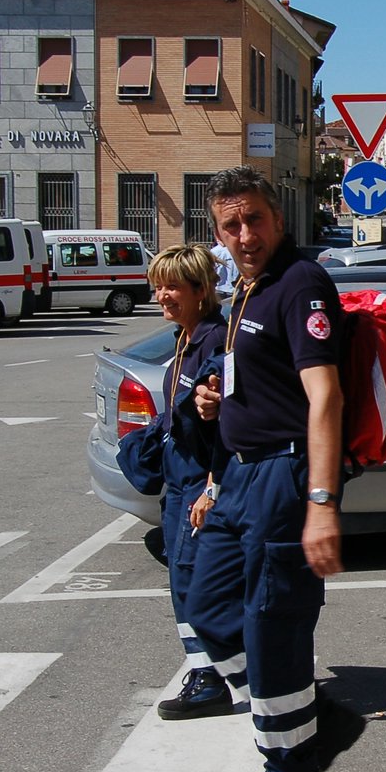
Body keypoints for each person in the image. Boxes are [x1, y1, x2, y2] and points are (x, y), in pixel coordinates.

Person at [187, 166, 364, 772]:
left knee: (273, 630)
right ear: (217, 231)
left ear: (278, 217)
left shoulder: (300, 284)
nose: (244, 235)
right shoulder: (246, 289)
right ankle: (315, 719)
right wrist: (214, 399)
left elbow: (325, 396)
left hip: (285, 481)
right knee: (208, 610)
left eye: (254, 219)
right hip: (237, 477)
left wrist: (322, 502)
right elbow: (256, 381)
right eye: (230, 225)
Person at [145, 245, 232, 720]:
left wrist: (212, 487)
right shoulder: (185, 338)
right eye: (158, 284)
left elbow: (227, 427)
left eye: (172, 286)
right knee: (186, 577)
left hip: (200, 480)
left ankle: (211, 678)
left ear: (201, 291)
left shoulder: (214, 344)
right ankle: (213, 670)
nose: (162, 294)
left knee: (193, 579)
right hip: (178, 480)